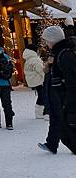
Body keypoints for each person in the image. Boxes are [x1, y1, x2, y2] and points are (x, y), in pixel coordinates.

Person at [37, 26, 76, 154]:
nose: (46, 43)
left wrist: (69, 101)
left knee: (65, 125)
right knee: (57, 121)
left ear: (53, 39)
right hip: (57, 95)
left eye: (47, 40)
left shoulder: (64, 54)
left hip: (63, 97)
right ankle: (52, 144)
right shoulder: (57, 53)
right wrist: (48, 67)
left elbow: (71, 80)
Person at [22, 45, 45, 119]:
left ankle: (40, 112)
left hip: (34, 80)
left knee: (41, 96)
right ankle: (40, 113)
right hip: (39, 80)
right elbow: (40, 69)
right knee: (42, 96)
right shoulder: (34, 59)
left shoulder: (29, 58)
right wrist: (46, 77)